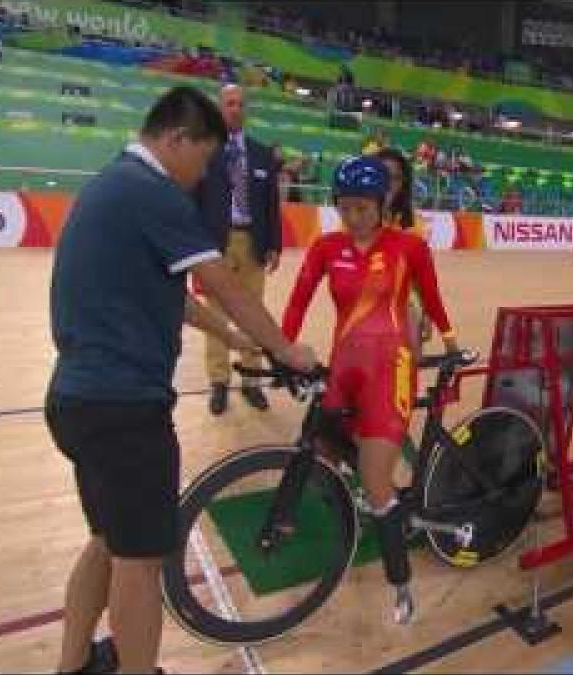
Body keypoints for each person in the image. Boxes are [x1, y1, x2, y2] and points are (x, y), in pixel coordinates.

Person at [44, 86, 317, 675]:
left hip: (76, 400)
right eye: (203, 160)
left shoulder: (110, 185)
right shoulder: (155, 194)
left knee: (106, 541)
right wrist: (286, 348)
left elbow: (183, 300)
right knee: (141, 562)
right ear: (176, 139)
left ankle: (72, 669)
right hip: (125, 409)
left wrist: (243, 343)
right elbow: (221, 280)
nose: (203, 177)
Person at [281, 155, 458, 625]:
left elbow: (433, 296)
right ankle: (361, 519)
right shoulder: (326, 247)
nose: (354, 217)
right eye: (346, 207)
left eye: (363, 208)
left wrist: (451, 340)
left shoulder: (409, 246)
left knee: (376, 480)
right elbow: (298, 299)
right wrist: (281, 347)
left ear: (383, 205)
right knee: (324, 453)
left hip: (391, 368)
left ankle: (401, 587)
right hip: (345, 366)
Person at [192, 83, 283, 416]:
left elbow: (272, 204)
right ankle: (218, 382)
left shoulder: (262, 155)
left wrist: (275, 243)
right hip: (215, 242)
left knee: (254, 311)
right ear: (220, 109)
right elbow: (194, 199)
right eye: (229, 103)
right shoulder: (205, 150)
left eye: (241, 103)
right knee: (215, 312)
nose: (235, 109)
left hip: (253, 241)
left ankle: (252, 381)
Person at [374, 145, 432, 355]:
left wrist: (427, 312)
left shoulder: (413, 223)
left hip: (401, 307)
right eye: (383, 175)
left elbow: (420, 275)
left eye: (396, 178)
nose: (389, 183)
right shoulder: (354, 216)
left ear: (403, 182)